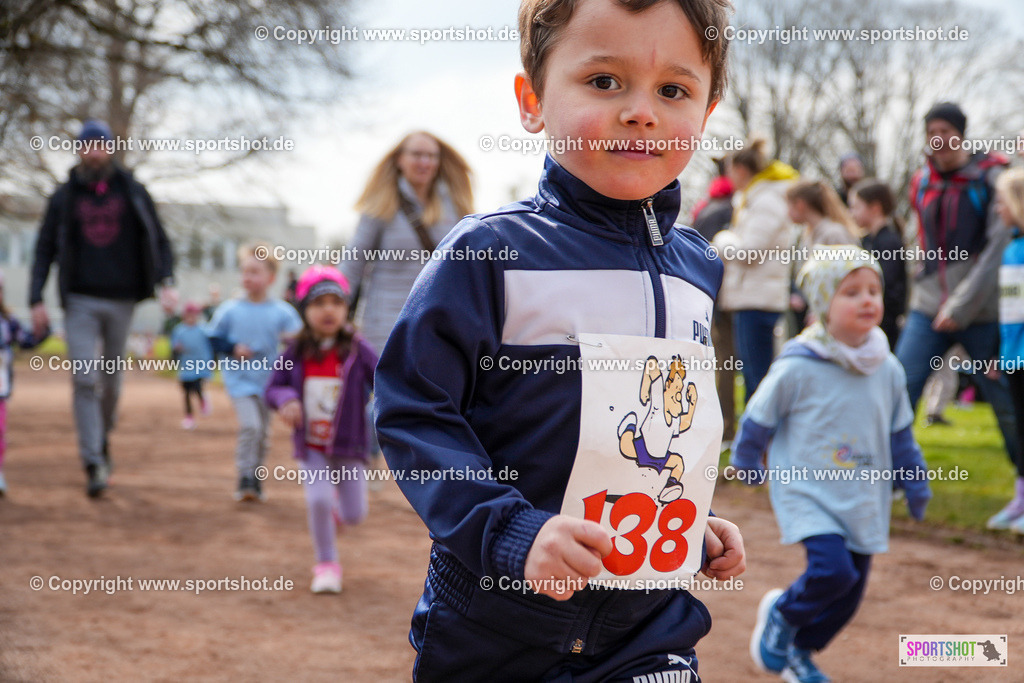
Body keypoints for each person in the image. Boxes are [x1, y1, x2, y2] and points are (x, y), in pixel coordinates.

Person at [375, 0, 745, 680]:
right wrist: (512, 532)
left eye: (674, 89)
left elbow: (658, 424)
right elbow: (413, 410)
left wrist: (693, 513)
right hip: (494, 625)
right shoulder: (488, 253)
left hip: (649, 625)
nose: (641, 111)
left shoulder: (699, 266)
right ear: (532, 100)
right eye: (604, 81)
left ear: (708, 111)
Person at [731, 247, 931, 683]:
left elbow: (900, 434)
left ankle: (801, 652)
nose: (867, 300)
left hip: (863, 494)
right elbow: (759, 416)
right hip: (806, 489)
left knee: (850, 594)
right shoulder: (798, 366)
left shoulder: (889, 369)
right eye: (851, 291)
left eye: (874, 290)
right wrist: (747, 459)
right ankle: (783, 614)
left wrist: (915, 483)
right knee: (832, 570)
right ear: (823, 303)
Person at [29, 119, 175, 498]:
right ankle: (93, 460)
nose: (95, 150)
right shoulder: (64, 195)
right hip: (79, 298)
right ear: (79, 149)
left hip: (123, 298)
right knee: (84, 377)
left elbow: (158, 238)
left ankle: (102, 436)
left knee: (110, 380)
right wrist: (35, 298)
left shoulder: (132, 189)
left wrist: (167, 281)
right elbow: (44, 247)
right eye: (88, 144)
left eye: (101, 144)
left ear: (110, 148)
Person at [895, 102, 1020, 526]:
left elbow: (997, 248)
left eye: (946, 130)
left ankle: (1021, 491)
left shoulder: (991, 177)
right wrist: (923, 292)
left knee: (1007, 399)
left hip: (982, 311)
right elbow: (921, 240)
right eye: (931, 130)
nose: (938, 139)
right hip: (927, 309)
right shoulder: (920, 181)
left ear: (961, 134)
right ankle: (890, 479)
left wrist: (961, 305)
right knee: (898, 386)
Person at [265, 266, 378, 593]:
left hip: (350, 444)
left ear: (346, 308)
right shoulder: (295, 351)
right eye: (318, 303)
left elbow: (384, 381)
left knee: (355, 513)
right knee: (317, 500)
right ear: (304, 311)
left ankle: (337, 516)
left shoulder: (359, 350)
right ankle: (326, 564)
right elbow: (273, 387)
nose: (328, 310)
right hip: (311, 445)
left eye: (336, 302)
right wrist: (286, 399)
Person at [207, 243, 302, 501]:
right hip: (239, 382)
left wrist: (291, 341)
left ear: (270, 278)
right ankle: (245, 477)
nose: (247, 277)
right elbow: (213, 338)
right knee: (251, 426)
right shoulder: (229, 309)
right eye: (244, 271)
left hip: (268, 383)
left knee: (263, 432)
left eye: (254, 272)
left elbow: (300, 341)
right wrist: (233, 347)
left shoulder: (282, 312)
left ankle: (257, 479)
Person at [713, 139, 799, 402]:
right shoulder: (757, 198)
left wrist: (722, 239)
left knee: (757, 379)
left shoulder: (767, 200)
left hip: (759, 300)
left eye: (729, 169)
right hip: (753, 297)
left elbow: (749, 252)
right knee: (754, 376)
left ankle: (761, 441)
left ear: (740, 168)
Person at [692, 167, 736, 441]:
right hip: (729, 299)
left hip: (708, 299)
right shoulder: (732, 210)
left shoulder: (704, 209)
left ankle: (719, 429)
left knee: (718, 365)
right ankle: (726, 429)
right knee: (727, 364)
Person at [992, 168, 1024, 531]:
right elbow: (1011, 313)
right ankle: (1020, 499)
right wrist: (1003, 355)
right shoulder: (1012, 249)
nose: (998, 208)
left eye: (1002, 202)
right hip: (1015, 356)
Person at [1, 269, 50, 495]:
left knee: (0, 431)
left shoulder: (8, 322)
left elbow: (26, 341)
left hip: (0, 389)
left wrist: (43, 332)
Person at [849, 178, 907, 349]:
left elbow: (885, 284)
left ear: (875, 208)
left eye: (856, 207)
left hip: (885, 324)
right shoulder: (867, 240)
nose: (851, 213)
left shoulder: (889, 242)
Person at [170, 301, 214, 430]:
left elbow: (211, 346)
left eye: (193, 314)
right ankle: (189, 417)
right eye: (188, 315)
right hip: (186, 365)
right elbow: (174, 347)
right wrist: (176, 349)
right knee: (187, 391)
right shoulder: (179, 330)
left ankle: (203, 401)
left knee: (197, 386)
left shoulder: (204, 329)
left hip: (201, 363)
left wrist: (211, 361)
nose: (191, 318)